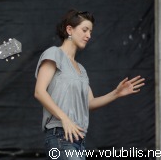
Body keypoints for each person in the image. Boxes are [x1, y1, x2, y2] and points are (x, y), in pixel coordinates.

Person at [34, 9, 145, 160]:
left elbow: (89, 103)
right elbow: (39, 92)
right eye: (85, 30)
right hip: (60, 135)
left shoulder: (81, 70)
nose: (89, 36)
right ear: (69, 29)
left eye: (90, 32)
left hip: (78, 140)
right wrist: (65, 118)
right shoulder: (54, 54)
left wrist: (116, 93)